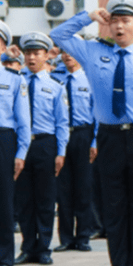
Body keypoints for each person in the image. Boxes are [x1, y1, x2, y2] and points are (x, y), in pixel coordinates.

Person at [50, 0, 133, 266]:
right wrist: (87, 17)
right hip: (110, 136)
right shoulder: (93, 52)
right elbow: (58, 36)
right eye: (114, 20)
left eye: (125, 21)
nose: (119, 26)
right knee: (114, 208)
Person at [13, 32, 67, 266]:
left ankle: (44, 247)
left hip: (46, 143)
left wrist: (61, 152)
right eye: (28, 53)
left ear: (47, 55)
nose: (31, 57)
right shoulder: (16, 80)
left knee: (45, 198)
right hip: (21, 144)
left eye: (36, 53)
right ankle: (27, 246)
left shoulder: (56, 85)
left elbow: (62, 122)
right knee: (24, 198)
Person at [54, 46, 98, 253]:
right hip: (62, 136)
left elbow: (98, 112)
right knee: (63, 189)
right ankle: (66, 238)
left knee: (84, 188)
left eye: (71, 51)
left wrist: (95, 141)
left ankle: (83, 237)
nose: (67, 55)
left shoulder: (90, 80)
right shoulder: (56, 80)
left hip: (83, 134)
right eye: (64, 51)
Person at [0, 19, 29, 266]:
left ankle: (4, 260)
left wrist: (21, 152)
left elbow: (23, 121)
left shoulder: (13, 79)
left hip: (3, 141)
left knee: (4, 203)